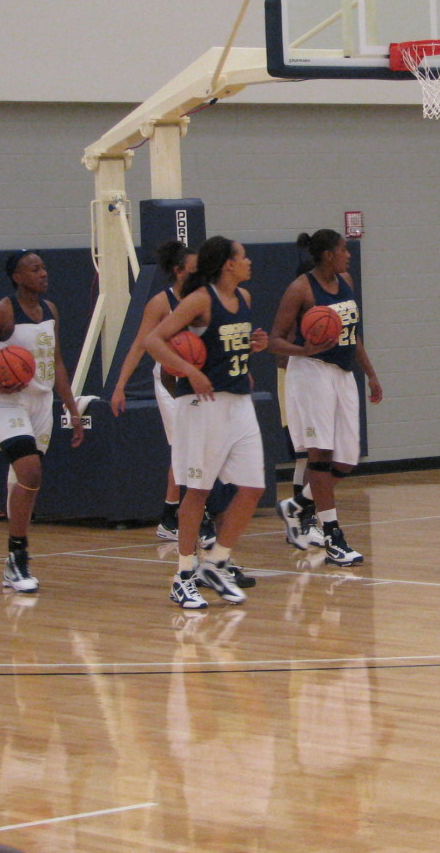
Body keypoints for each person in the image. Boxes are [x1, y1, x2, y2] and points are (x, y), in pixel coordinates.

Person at [107, 241, 252, 586]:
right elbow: (141, 344)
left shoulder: (211, 296)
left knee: (194, 458)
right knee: (192, 460)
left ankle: (177, 519)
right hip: (175, 383)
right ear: (179, 270)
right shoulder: (162, 302)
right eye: (193, 265)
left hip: (212, 382)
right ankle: (199, 538)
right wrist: (119, 385)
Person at [145, 236, 269, 609]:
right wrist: (187, 370)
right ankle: (183, 575)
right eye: (243, 257)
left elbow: (226, 345)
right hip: (202, 404)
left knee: (252, 487)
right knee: (197, 491)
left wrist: (251, 345)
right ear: (228, 264)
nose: (249, 261)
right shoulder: (200, 300)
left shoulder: (243, 300)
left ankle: (215, 561)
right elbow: (154, 340)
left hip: (237, 402)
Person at [0, 250, 85, 593]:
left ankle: (12, 562)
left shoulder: (50, 310)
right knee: (31, 471)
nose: (43, 273)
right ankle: (18, 557)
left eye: (44, 266)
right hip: (7, 403)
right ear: (17, 277)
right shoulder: (1, 311)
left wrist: (71, 409)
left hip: (41, 402)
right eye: (34, 269)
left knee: (25, 480)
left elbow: (57, 362)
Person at [268, 230, 383, 567]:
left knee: (346, 459)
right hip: (311, 371)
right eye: (343, 249)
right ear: (328, 254)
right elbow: (274, 340)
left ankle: (297, 505)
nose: (349, 254)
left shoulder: (345, 279)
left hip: (343, 374)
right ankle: (333, 533)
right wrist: (302, 349)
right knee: (320, 454)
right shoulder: (300, 288)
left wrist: (371, 374)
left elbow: (352, 335)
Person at [274, 248, 325, 552]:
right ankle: (304, 520)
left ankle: (303, 516)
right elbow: (280, 354)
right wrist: (306, 353)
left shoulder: (326, 304)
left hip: (318, 380)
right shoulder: (296, 305)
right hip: (294, 380)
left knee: (320, 455)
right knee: (306, 454)